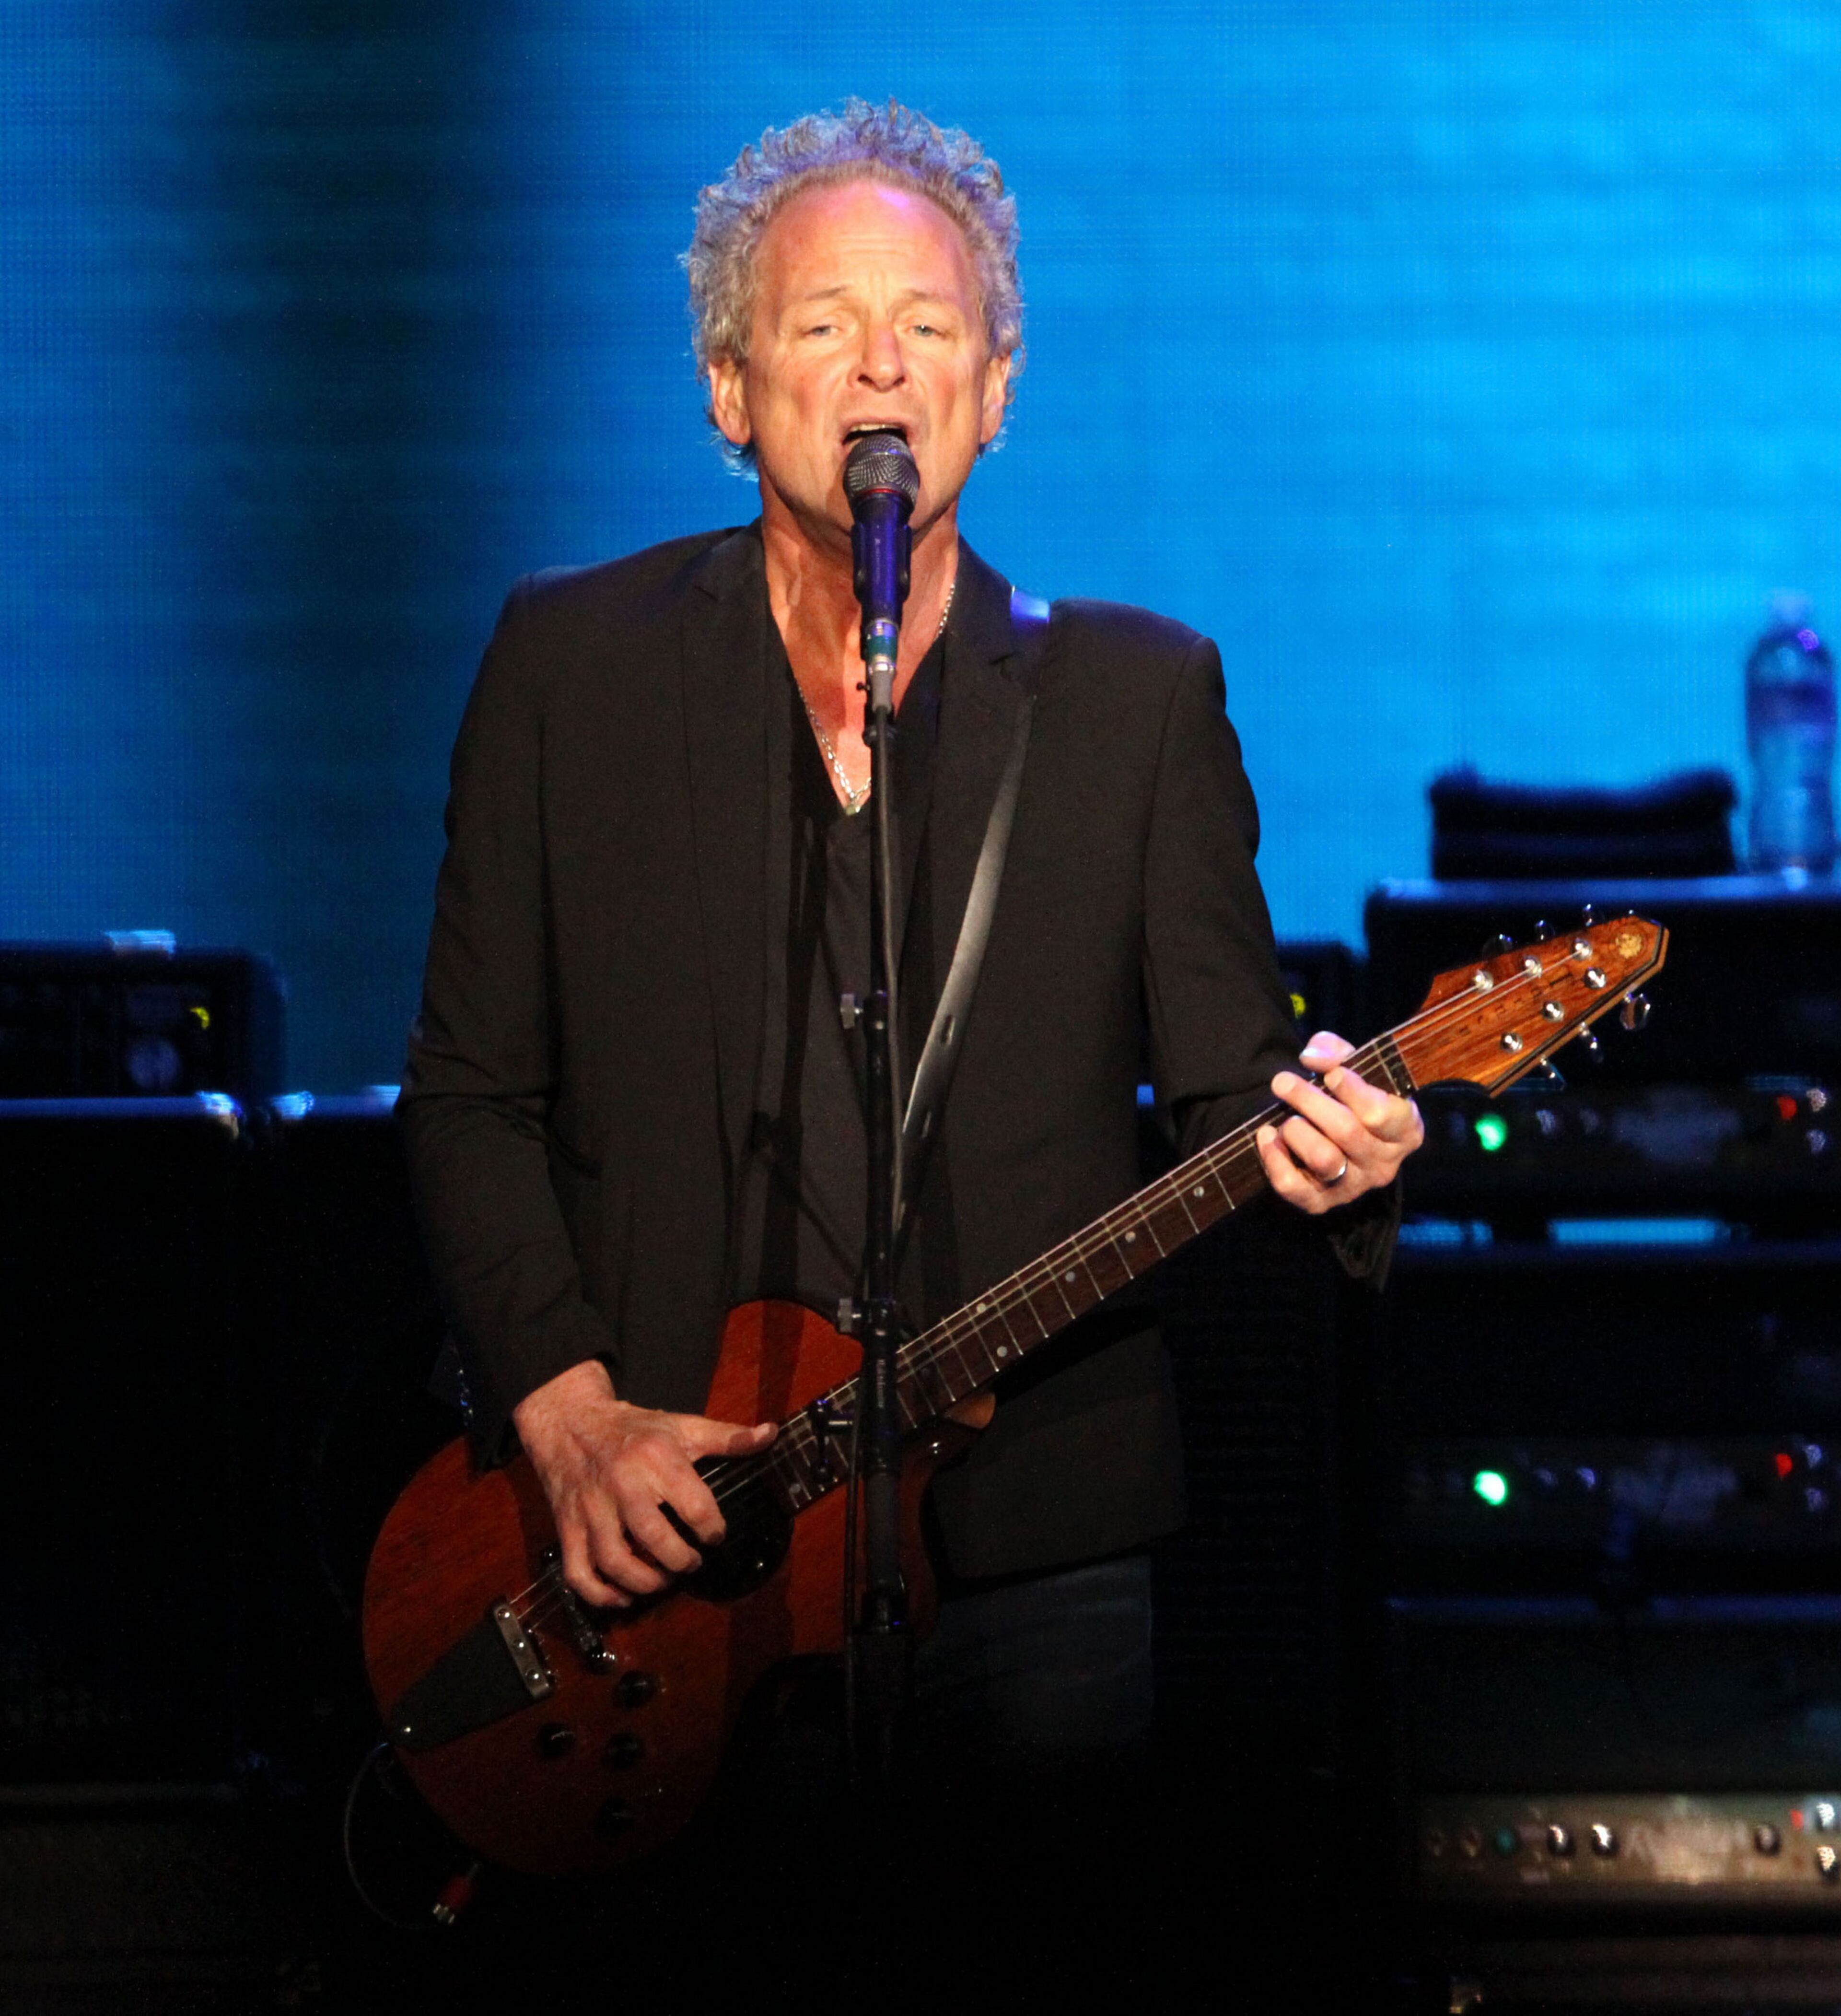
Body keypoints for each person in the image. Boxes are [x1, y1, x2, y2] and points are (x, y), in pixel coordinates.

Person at [400, 101, 1422, 1811]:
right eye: (825, 328)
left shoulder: (1136, 698)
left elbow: (1238, 1092)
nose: (883, 367)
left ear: (994, 391)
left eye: (930, 329)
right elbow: (468, 1093)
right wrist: (568, 1415)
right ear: (733, 390)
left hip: (1038, 1552)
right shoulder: (568, 667)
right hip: (667, 1528)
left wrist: (1345, 1149)